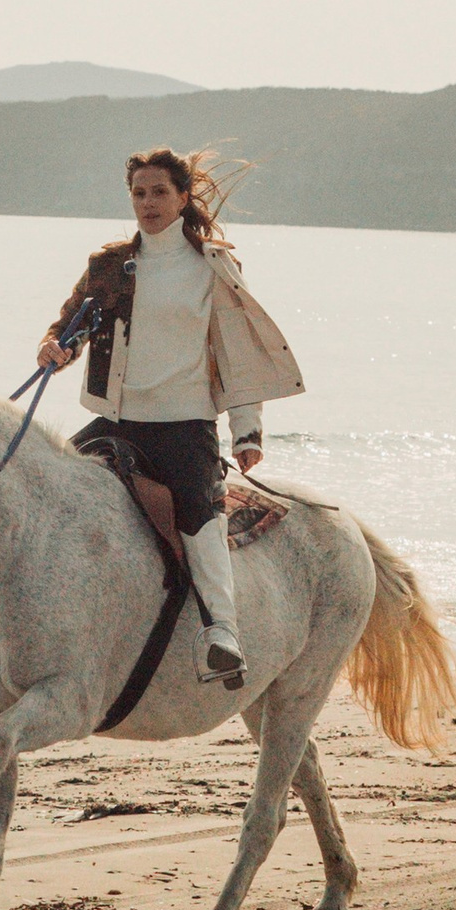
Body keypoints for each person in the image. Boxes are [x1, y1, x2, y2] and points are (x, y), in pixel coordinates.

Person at [36, 147, 305, 690]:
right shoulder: (110, 265)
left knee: (199, 515)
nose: (148, 203)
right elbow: (69, 327)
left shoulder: (212, 265)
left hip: (185, 424)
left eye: (160, 192)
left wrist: (246, 429)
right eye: (139, 192)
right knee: (39, 494)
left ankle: (221, 634)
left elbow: (238, 354)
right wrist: (53, 347)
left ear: (184, 197)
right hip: (116, 421)